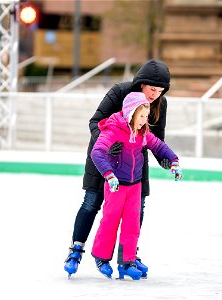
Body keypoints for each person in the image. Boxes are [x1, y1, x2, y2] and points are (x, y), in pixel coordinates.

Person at [64, 59, 172, 278]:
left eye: (160, 91)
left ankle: (129, 255)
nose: (155, 95)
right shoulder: (120, 91)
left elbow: (155, 139)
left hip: (133, 164)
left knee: (136, 209)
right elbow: (95, 122)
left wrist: (166, 160)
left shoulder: (160, 104)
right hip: (104, 157)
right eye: (152, 89)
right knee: (92, 202)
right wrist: (108, 144)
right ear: (142, 83)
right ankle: (76, 250)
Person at [90, 92, 182, 280]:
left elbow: (158, 145)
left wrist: (173, 160)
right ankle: (101, 257)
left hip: (135, 185)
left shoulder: (143, 133)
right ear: (131, 114)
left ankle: (127, 262)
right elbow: (97, 152)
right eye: (141, 116)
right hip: (116, 185)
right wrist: (109, 174)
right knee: (110, 221)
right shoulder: (113, 129)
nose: (144, 120)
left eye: (146, 117)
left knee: (132, 225)